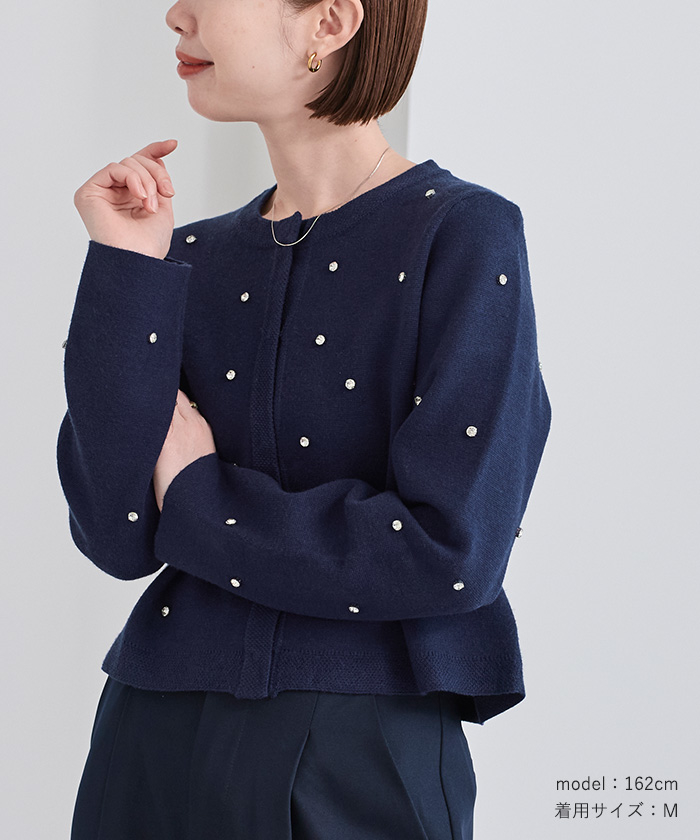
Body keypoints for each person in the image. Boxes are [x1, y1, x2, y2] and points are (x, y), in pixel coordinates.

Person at [57, 1, 552, 838]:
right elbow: (116, 534)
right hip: (150, 729)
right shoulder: (189, 256)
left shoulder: (463, 234)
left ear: (329, 22)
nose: (176, 13)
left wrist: (198, 494)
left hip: (358, 741)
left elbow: (449, 550)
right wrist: (125, 270)